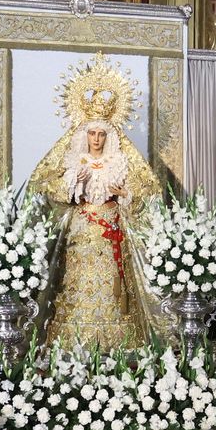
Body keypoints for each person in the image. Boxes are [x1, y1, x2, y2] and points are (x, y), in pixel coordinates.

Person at [33, 117, 159, 349]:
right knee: (79, 273)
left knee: (113, 275)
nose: (97, 139)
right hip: (82, 224)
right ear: (86, 135)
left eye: (101, 134)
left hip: (112, 223)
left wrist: (124, 194)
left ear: (107, 137)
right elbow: (55, 192)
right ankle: (74, 335)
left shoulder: (118, 160)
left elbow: (140, 194)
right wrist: (74, 181)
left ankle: (120, 338)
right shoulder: (75, 159)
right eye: (92, 133)